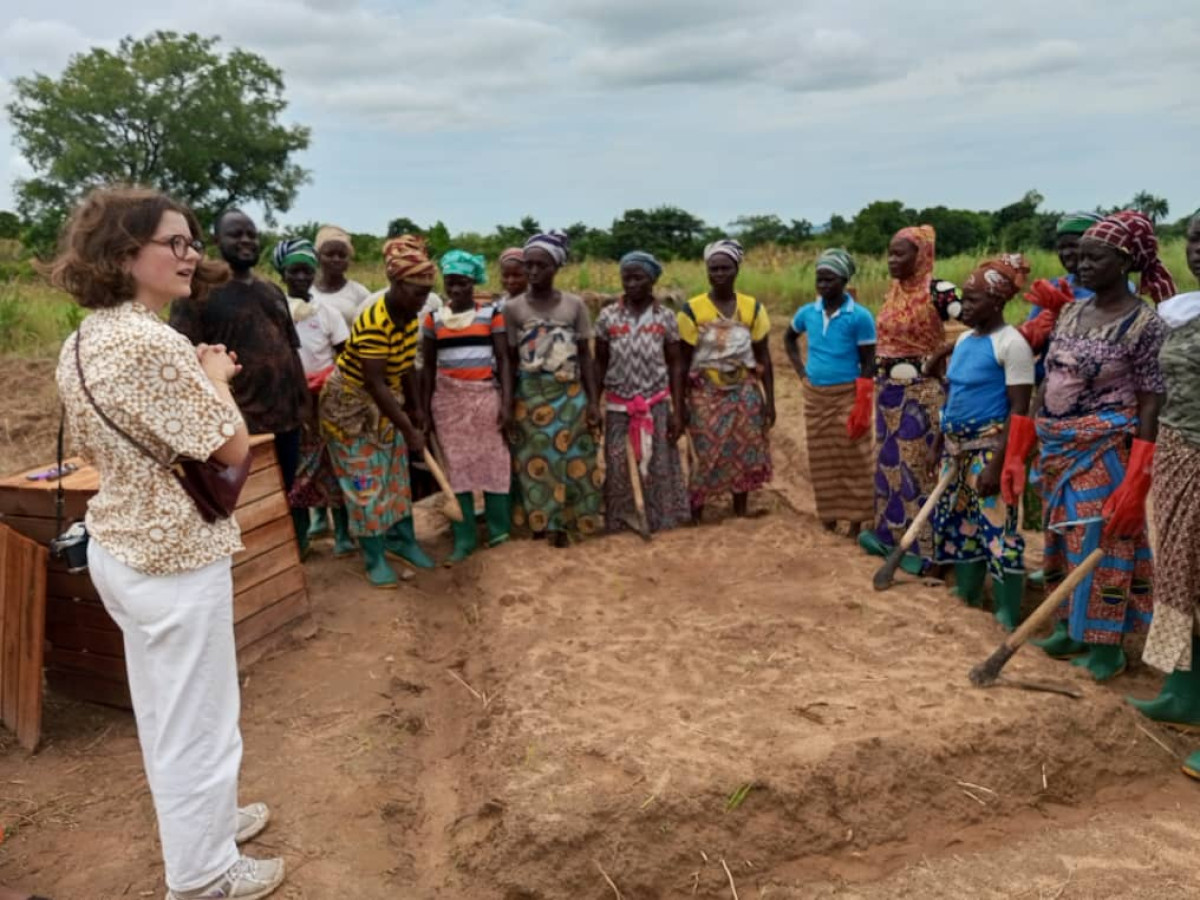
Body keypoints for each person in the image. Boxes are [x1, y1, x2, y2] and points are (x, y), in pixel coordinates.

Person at [52, 188, 284, 899]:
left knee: (166, 711)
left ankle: (208, 824)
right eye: (174, 244)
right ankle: (204, 873)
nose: (191, 255)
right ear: (127, 255)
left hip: (121, 543)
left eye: (190, 242)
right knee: (199, 719)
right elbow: (230, 445)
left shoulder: (85, 336)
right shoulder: (155, 342)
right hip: (175, 557)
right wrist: (214, 376)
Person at [1029, 210, 1173, 682]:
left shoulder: (1144, 324)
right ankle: (1070, 628)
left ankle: (1105, 646)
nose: (1082, 265)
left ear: (1125, 261)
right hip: (1058, 447)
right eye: (1081, 257)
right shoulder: (1072, 309)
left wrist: (1139, 473)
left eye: (1095, 257)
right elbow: (1050, 373)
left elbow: (1152, 400)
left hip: (1105, 446)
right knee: (1062, 540)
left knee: (1101, 543)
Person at [168, 208, 308, 509]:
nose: (246, 240)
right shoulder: (197, 292)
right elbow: (183, 362)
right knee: (251, 502)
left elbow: (291, 349)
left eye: (251, 234)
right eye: (236, 234)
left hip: (286, 419)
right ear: (217, 239)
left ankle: (297, 550)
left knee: (287, 494)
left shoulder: (271, 290)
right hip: (240, 426)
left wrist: (303, 404)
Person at [1127, 209, 1200, 774]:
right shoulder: (1184, 313)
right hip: (1178, 456)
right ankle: (1184, 696)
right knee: (1180, 577)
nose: (1197, 249)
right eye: (1194, 239)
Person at [320, 235, 436, 587]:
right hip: (349, 410)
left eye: (427, 291)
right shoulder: (373, 318)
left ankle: (402, 540)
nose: (423, 299)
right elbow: (375, 383)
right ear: (397, 284)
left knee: (396, 475)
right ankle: (373, 555)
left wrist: (416, 411)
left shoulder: (411, 314)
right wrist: (408, 427)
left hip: (387, 403)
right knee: (365, 480)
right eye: (417, 291)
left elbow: (404, 369)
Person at [928, 255, 1035, 630]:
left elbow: (1020, 410)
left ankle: (1007, 612)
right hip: (956, 451)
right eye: (965, 298)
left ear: (998, 302)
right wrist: (939, 441)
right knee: (961, 526)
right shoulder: (962, 343)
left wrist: (997, 463)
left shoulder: (1012, 344)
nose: (964, 307)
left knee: (998, 529)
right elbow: (953, 396)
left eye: (973, 300)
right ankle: (968, 595)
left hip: (989, 451)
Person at [858, 225, 959, 573]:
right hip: (888, 394)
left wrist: (940, 355)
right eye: (890, 252)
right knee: (888, 466)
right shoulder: (893, 292)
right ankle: (890, 539)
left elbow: (978, 326)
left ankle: (926, 550)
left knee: (918, 467)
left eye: (900, 253)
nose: (892, 260)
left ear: (922, 255)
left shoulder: (940, 291)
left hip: (923, 394)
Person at [504, 231, 603, 545]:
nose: (533, 271)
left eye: (541, 266)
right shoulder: (514, 309)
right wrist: (507, 403)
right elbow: (507, 360)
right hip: (530, 397)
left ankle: (568, 525)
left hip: (570, 396)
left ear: (556, 268)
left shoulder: (574, 306)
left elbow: (586, 359)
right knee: (534, 462)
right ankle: (539, 524)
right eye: (528, 265)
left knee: (575, 458)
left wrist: (592, 401)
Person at [421, 249, 513, 561]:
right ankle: (465, 537)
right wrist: (423, 411)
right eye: (451, 283)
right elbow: (428, 367)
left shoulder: (491, 314)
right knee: (457, 468)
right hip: (448, 402)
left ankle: (500, 530)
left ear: (473, 283)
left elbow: (503, 358)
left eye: (463, 283)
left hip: (485, 397)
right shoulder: (433, 320)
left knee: (494, 461)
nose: (457, 289)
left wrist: (507, 403)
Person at [677, 239, 774, 521]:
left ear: (736, 270)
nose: (719, 274)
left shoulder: (753, 308)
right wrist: (681, 402)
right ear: (707, 271)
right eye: (714, 269)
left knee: (744, 448)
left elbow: (764, 357)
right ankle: (696, 510)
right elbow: (683, 361)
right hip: (704, 391)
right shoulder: (692, 310)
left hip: (744, 388)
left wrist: (770, 401)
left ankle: (740, 508)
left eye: (725, 268)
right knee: (706, 451)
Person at [595, 250, 689, 534]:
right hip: (618, 406)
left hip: (655, 403)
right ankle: (621, 522)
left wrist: (678, 409)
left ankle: (662, 520)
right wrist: (593, 404)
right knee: (617, 463)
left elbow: (675, 364)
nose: (631, 284)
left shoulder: (666, 317)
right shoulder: (608, 316)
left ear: (652, 280)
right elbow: (599, 363)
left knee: (659, 462)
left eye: (638, 278)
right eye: (626, 278)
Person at [271, 238, 354, 560]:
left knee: (335, 465)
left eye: (307, 271)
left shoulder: (327, 313)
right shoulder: (276, 312)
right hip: (291, 401)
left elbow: (344, 356)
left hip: (327, 399)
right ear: (283, 274)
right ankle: (302, 537)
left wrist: (327, 379)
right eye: (295, 271)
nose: (302, 278)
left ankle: (344, 534)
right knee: (298, 471)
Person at [784, 248, 876, 536]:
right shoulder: (807, 313)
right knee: (822, 457)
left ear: (844, 281)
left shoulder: (860, 317)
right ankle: (829, 515)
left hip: (847, 394)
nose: (823, 286)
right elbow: (789, 338)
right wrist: (801, 373)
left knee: (854, 455)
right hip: (816, 396)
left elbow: (869, 360)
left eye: (830, 280)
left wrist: (862, 400)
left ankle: (857, 520)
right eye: (819, 280)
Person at [311, 224, 370, 327]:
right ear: (318, 257)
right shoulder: (307, 291)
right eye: (330, 254)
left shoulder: (360, 293)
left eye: (342, 255)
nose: (336, 259)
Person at [493, 246, 528, 314]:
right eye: (505, 276)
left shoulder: (540, 306)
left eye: (517, 275)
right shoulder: (496, 306)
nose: (510, 281)